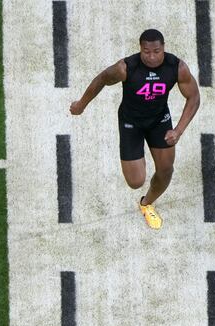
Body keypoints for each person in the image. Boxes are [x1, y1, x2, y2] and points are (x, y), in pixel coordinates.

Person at [70, 29, 200, 229]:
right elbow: (102, 79)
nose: (151, 56)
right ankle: (136, 158)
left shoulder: (177, 68)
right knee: (135, 181)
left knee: (166, 170)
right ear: (140, 49)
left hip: (159, 120)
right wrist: (81, 104)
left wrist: (178, 130)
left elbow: (194, 97)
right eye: (146, 51)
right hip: (131, 122)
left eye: (156, 51)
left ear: (163, 48)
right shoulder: (125, 68)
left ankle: (146, 204)